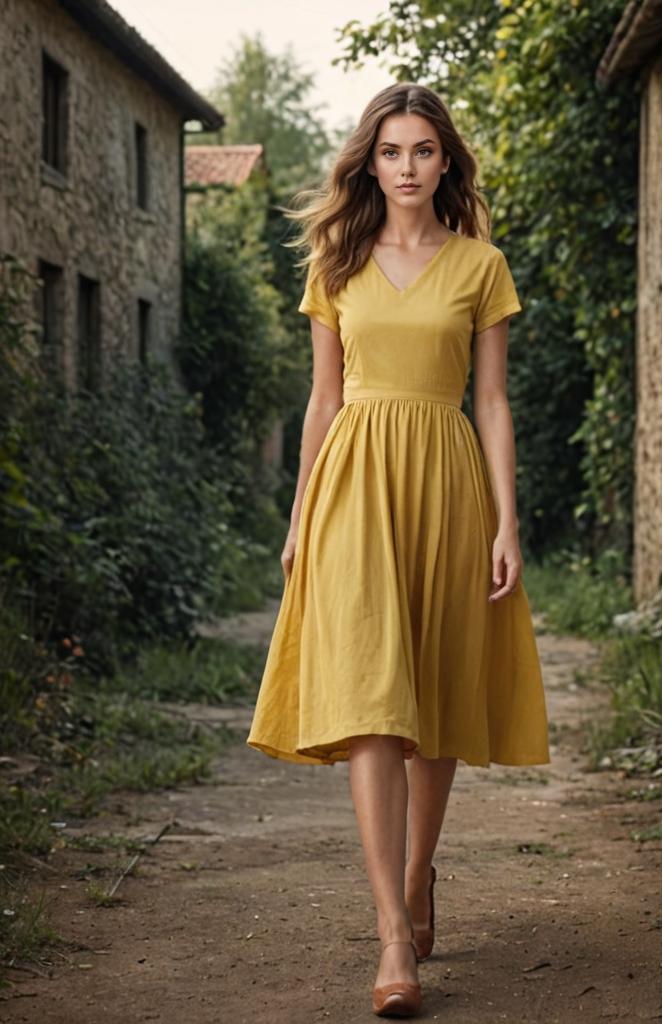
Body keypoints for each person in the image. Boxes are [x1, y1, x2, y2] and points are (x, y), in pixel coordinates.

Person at [246, 81, 551, 1018]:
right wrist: (300, 514)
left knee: (436, 693)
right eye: (391, 152)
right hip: (353, 488)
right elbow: (324, 399)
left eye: (423, 151)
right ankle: (390, 934)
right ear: (369, 163)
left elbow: (491, 402)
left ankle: (420, 876)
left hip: (449, 484)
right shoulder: (335, 263)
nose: (408, 167)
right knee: (374, 700)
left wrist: (507, 520)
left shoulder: (480, 266)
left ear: (446, 161)